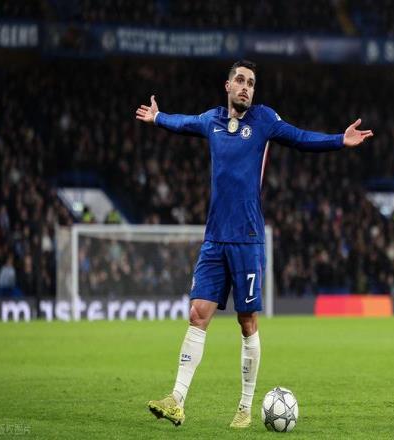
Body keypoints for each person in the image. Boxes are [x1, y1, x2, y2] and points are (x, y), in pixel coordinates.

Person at [135, 60, 373, 429]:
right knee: (198, 314)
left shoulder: (264, 120)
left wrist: (339, 140)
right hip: (214, 238)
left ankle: (245, 407)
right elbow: (184, 122)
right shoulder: (212, 120)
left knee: (246, 322)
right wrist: (158, 117)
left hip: (247, 238)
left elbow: (300, 138)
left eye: (251, 83)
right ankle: (177, 399)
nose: (246, 87)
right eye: (241, 81)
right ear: (227, 86)